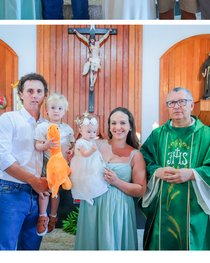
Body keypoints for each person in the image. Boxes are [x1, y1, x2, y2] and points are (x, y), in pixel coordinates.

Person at [139, 88, 210, 250]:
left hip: (195, 212)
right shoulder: (158, 135)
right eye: (172, 103)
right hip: (162, 213)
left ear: (191, 105)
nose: (177, 106)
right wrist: (157, 171)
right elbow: (142, 162)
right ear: (168, 107)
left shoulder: (207, 135)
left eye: (182, 102)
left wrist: (193, 174)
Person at [0, 73, 51, 250]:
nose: (35, 95)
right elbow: (2, 158)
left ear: (45, 96)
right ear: (21, 94)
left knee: (30, 249)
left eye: (39, 91)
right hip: (12, 191)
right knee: (3, 248)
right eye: (30, 91)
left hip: (39, 195)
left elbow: (51, 157)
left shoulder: (48, 125)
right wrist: (33, 181)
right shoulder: (9, 119)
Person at [76, 107, 145, 250]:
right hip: (92, 206)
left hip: (118, 211)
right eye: (113, 123)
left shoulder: (136, 155)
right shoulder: (96, 144)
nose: (117, 127)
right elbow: (78, 160)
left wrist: (117, 182)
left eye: (123, 123)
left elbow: (141, 190)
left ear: (130, 126)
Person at [33, 94, 73, 235]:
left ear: (65, 111)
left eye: (60, 108)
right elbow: (37, 145)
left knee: (56, 192)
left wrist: (71, 152)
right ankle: (42, 216)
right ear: (47, 110)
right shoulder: (42, 127)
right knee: (45, 190)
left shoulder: (68, 129)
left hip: (62, 165)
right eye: (53, 107)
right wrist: (46, 145)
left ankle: (53, 216)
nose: (56, 111)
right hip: (47, 163)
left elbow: (72, 146)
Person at [69, 115, 107, 204]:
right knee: (85, 181)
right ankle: (85, 195)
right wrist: (92, 150)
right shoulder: (80, 142)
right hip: (84, 167)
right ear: (81, 131)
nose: (92, 134)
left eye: (94, 131)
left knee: (94, 179)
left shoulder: (91, 140)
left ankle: (94, 192)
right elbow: (85, 154)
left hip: (92, 164)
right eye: (89, 131)